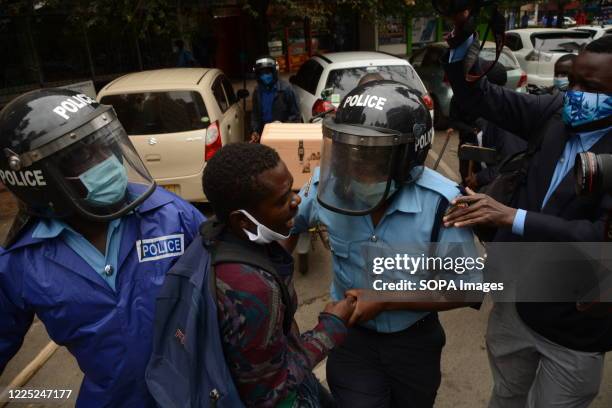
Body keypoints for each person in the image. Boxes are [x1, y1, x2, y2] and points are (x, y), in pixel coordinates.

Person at [443, 19, 612, 407]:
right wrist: (462, 39)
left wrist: (511, 217)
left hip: (575, 327)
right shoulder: (554, 113)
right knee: (505, 395)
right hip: (516, 305)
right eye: (574, 83)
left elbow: (599, 237)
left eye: (594, 88)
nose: (577, 95)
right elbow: (478, 97)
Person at [0, 89, 205, 407]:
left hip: (197, 396)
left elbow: (233, 294)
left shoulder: (170, 214)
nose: (107, 162)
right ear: (37, 180)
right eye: (83, 156)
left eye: (106, 145)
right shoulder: (20, 262)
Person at [289, 80, 481, 407]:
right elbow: (286, 225)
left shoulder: (442, 203)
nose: (354, 166)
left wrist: (386, 299)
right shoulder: (327, 184)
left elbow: (467, 288)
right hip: (350, 338)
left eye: (370, 156)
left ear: (408, 156)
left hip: (414, 344)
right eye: (350, 151)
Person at [201, 142, 355, 406]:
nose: (297, 200)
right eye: (282, 200)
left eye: (293, 190)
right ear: (244, 220)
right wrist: (330, 327)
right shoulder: (252, 289)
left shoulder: (215, 236)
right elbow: (272, 390)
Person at [250, 56, 300, 143]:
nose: (265, 76)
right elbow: (255, 115)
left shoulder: (286, 89)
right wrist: (255, 131)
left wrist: (282, 126)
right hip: (264, 135)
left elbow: (296, 117)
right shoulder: (257, 91)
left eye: (268, 72)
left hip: (283, 136)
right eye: (262, 73)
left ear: (274, 72)